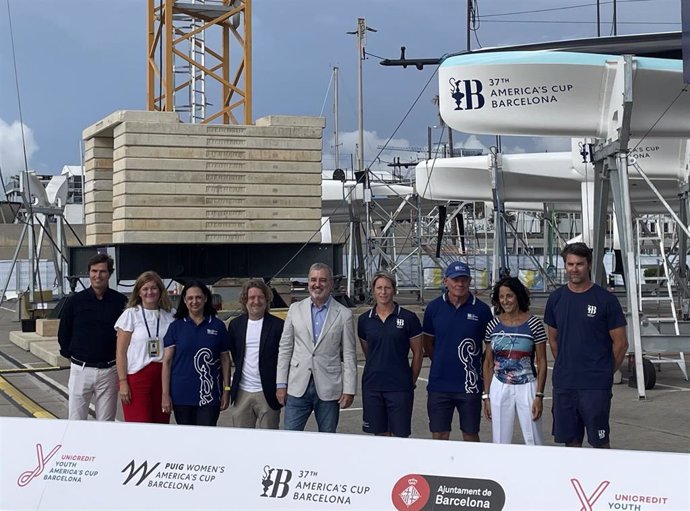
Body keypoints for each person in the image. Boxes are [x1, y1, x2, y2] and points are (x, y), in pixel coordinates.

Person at [544, 242, 628, 448]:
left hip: (595, 386)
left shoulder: (606, 300)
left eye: (579, 264)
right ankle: (573, 482)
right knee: (571, 444)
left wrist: (605, 372)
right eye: (570, 264)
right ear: (565, 265)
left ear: (588, 264)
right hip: (565, 384)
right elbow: (553, 340)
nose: (574, 269)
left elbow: (621, 344)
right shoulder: (556, 299)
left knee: (599, 443)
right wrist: (566, 364)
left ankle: (604, 481)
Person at [276, 263, 357, 433]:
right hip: (297, 387)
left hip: (328, 388)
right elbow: (285, 348)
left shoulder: (344, 314)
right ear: (308, 282)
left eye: (322, 280)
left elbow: (349, 355)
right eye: (313, 280)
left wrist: (349, 389)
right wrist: (281, 384)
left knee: (327, 441)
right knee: (290, 440)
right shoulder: (295, 309)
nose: (317, 284)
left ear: (331, 284)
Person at [422, 261, 492, 441]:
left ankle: (471, 470)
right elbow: (428, 343)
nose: (459, 284)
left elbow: (490, 348)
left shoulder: (482, 310)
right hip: (440, 385)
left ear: (469, 281)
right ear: (446, 281)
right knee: (439, 434)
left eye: (464, 280)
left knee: (470, 434)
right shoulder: (434, 308)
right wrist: (441, 360)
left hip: (469, 386)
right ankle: (439, 469)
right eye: (455, 280)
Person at [58, 253, 127, 420]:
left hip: (109, 371)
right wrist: (71, 355)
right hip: (81, 370)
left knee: (106, 424)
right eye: (94, 271)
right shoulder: (75, 301)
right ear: (89, 273)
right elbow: (64, 332)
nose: (98, 276)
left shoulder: (120, 302)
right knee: (76, 421)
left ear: (109, 274)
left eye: (102, 271)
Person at [357, 271, 423, 438]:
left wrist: (410, 380)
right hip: (373, 387)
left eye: (387, 287)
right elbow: (368, 351)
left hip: (399, 387)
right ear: (373, 290)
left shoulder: (409, 318)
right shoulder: (364, 320)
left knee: (400, 437)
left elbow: (418, 354)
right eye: (379, 288)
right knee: (380, 436)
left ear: (394, 289)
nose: (383, 292)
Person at [483, 277, 547, 445]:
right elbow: (488, 363)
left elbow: (542, 362)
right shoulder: (492, 325)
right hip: (499, 386)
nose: (505, 301)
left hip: (527, 386)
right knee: (500, 440)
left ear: (518, 296)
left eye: (509, 296)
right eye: (502, 297)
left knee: (534, 439)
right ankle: (500, 471)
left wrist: (539, 396)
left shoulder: (534, 324)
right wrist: (486, 396)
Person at [162, 280, 231, 426]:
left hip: (209, 395)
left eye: (198, 297)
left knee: (206, 439)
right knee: (187, 440)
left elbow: (225, 360)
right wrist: (165, 394)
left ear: (206, 298)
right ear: (185, 301)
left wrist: (226, 390)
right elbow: (167, 362)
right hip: (181, 395)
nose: (195, 301)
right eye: (190, 298)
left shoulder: (218, 326)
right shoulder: (175, 327)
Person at [115, 271, 175, 423]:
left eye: (154, 288)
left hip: (163, 378)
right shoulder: (130, 314)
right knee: (140, 425)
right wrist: (123, 382)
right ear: (139, 292)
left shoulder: (170, 315)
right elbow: (120, 353)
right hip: (137, 378)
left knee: (160, 425)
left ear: (160, 291)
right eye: (145, 289)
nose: (150, 292)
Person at [227, 279, 284, 429]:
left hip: (268, 392)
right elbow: (235, 354)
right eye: (252, 297)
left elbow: (283, 359)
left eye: (260, 297)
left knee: (269, 440)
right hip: (242, 391)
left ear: (267, 300)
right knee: (242, 440)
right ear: (245, 300)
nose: (256, 301)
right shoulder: (235, 325)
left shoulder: (278, 326)